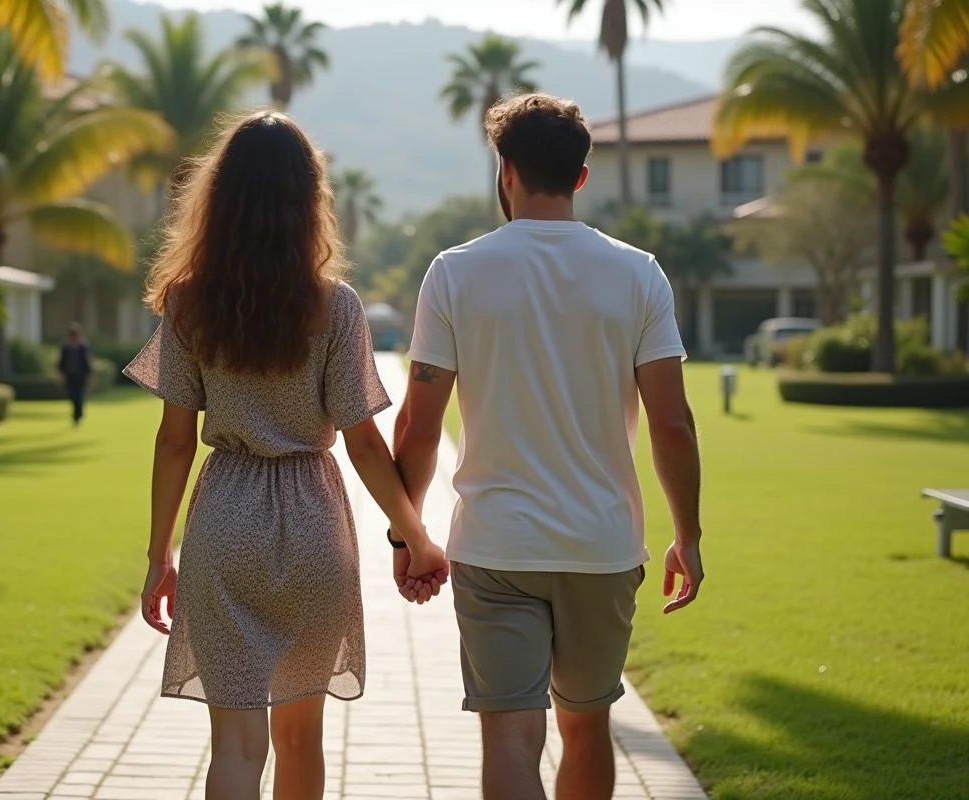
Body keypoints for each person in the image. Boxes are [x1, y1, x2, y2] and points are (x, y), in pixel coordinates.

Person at [123, 111, 449, 800]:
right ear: (310, 199)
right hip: (313, 524)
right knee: (301, 739)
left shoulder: (187, 305)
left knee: (236, 749)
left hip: (224, 523)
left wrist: (159, 555)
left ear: (219, 196)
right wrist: (416, 536)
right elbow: (364, 442)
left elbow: (175, 439)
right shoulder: (338, 308)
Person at [392, 93, 706, 800]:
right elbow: (673, 422)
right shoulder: (639, 273)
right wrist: (688, 534)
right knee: (587, 728)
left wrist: (407, 534)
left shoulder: (454, 271)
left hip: (495, 546)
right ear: (581, 177)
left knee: (509, 734)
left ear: (504, 171)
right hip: (601, 546)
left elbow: (416, 425)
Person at [58, 322, 93, 425]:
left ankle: (78, 415)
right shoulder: (66, 346)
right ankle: (76, 414)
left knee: (79, 395)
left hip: (80, 375)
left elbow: (87, 361)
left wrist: (89, 374)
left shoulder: (83, 346)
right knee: (73, 396)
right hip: (70, 375)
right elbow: (62, 361)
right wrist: (60, 372)